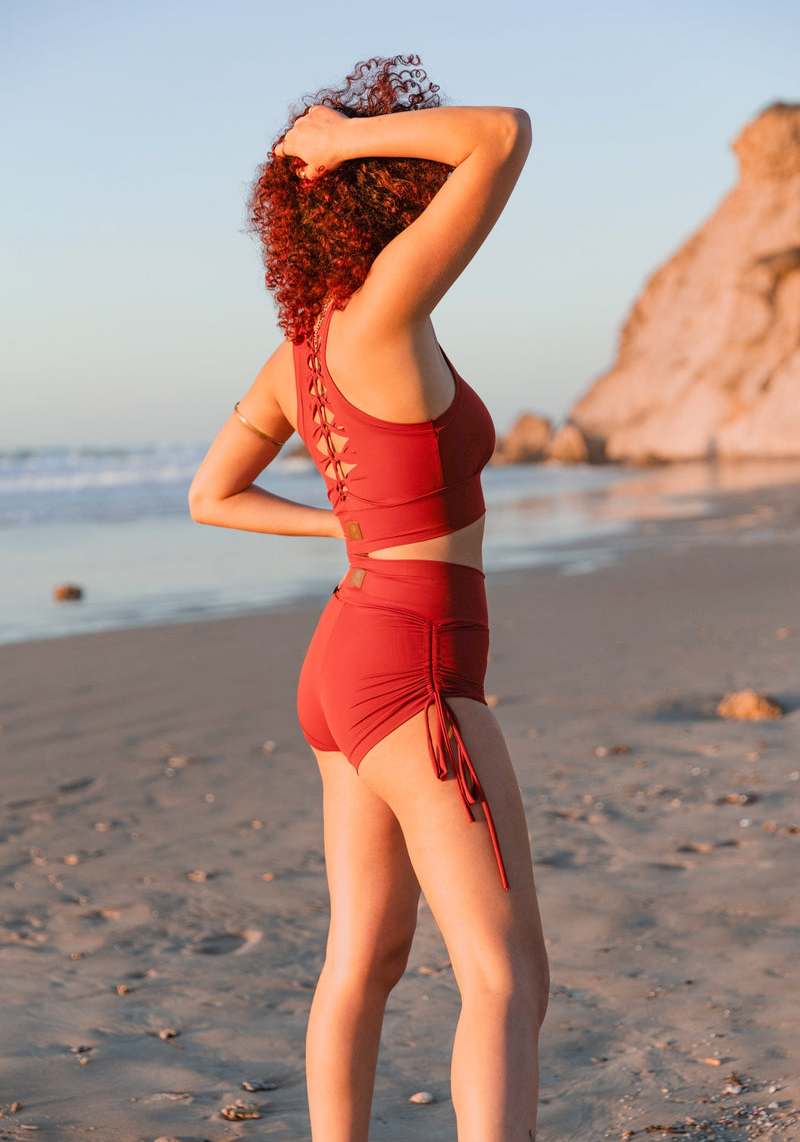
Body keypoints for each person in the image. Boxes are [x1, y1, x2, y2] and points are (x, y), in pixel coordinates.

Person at [189, 55, 549, 1142]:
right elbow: (500, 135)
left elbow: (213, 496)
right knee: (505, 975)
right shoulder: (388, 310)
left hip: (342, 661)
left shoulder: (297, 355)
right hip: (414, 665)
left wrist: (339, 529)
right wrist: (341, 137)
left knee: (367, 956)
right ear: (378, 194)